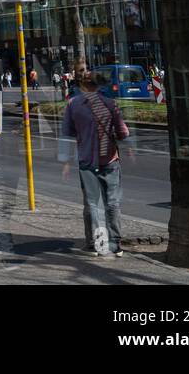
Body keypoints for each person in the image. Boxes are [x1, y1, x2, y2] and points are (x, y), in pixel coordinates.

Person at [58, 69, 130, 256]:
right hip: (110, 159)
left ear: (82, 86)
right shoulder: (110, 104)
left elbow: (66, 133)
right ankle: (115, 245)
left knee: (92, 204)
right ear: (98, 86)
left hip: (87, 161)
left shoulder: (73, 105)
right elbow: (123, 133)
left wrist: (65, 160)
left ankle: (95, 245)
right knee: (112, 202)